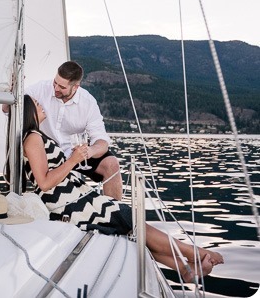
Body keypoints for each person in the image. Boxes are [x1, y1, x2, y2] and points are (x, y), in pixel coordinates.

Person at [21, 94, 224, 282]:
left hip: (75, 197)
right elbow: (44, 182)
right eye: (36, 104)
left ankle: (184, 268)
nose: (41, 105)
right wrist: (73, 160)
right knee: (128, 217)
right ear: (29, 111)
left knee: (126, 222)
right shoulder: (33, 137)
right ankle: (195, 253)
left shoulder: (36, 136)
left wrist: (74, 159)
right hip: (66, 204)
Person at [25, 61, 123, 200]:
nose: (56, 88)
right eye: (55, 82)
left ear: (76, 86)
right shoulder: (41, 88)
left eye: (62, 87)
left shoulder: (88, 102)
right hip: (47, 154)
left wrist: (89, 151)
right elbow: (11, 106)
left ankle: (115, 212)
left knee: (112, 164)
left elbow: (102, 140)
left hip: (75, 154)